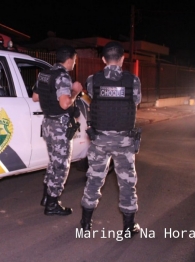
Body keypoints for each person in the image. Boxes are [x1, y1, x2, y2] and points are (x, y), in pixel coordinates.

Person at [80, 41, 142, 237]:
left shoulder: (92, 80)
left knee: (94, 179)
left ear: (104, 59)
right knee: (127, 183)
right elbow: (136, 102)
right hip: (124, 142)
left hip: (99, 140)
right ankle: (128, 227)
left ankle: (85, 224)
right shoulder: (133, 81)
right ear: (123, 59)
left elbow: (92, 99)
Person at [32, 46, 83, 216]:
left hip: (47, 124)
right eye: (74, 60)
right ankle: (52, 204)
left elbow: (35, 97)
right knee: (61, 165)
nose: (74, 64)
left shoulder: (44, 74)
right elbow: (65, 104)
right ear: (69, 59)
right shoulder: (62, 77)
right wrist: (75, 90)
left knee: (54, 162)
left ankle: (46, 197)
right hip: (60, 127)